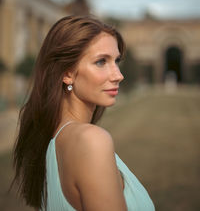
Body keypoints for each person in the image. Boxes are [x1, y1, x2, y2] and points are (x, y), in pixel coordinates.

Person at [12, 15, 155, 211]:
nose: (118, 75)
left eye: (116, 61)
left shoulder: (53, 140)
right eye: (101, 62)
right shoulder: (91, 141)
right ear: (67, 73)